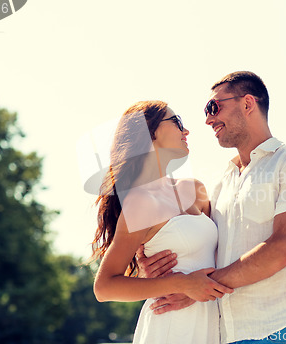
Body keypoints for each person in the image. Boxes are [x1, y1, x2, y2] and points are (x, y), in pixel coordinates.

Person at [137, 71, 286, 344]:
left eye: (214, 107)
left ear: (247, 104)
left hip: (281, 329)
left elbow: (283, 250)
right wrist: (151, 269)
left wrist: (198, 287)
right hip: (222, 334)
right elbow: (202, 248)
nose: (208, 119)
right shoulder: (220, 184)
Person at [91, 100, 233, 344]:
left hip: (212, 325)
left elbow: (222, 255)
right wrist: (179, 283)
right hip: (168, 327)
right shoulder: (140, 202)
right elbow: (104, 287)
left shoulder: (195, 189)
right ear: (150, 131)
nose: (186, 131)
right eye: (177, 122)